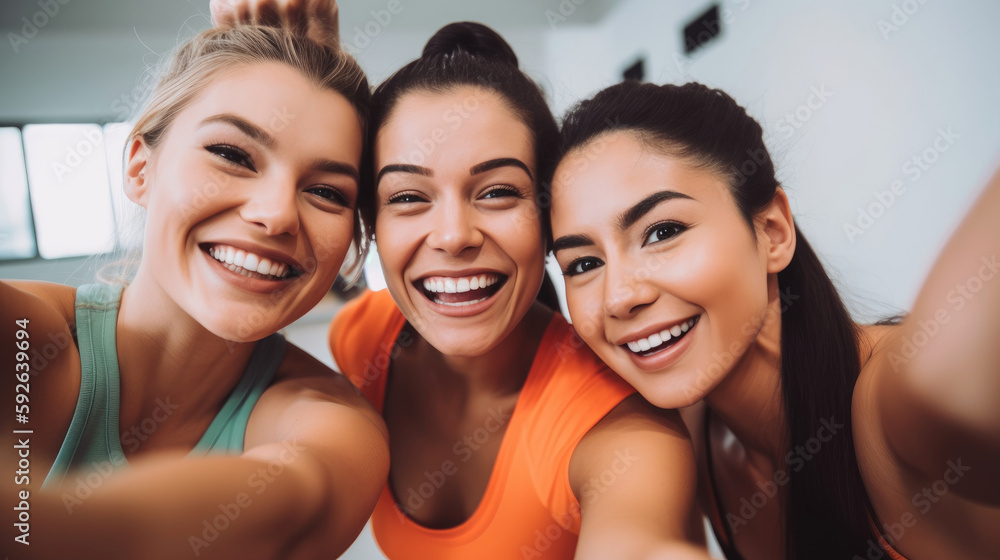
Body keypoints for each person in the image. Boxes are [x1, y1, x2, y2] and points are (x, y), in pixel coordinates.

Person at [211, 3, 712, 558]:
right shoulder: (360, 336)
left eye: (498, 192)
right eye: (407, 197)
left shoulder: (623, 432)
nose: (453, 236)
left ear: (550, 218)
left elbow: (641, 540)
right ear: (369, 223)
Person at [548, 80, 1000, 560]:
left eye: (662, 231)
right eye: (583, 264)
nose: (619, 297)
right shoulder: (689, 439)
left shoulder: (890, 406)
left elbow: (947, 381)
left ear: (773, 233)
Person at [1, 25, 389, 559]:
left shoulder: (334, 426)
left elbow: (296, 497)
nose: (276, 215)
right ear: (140, 167)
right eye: (232, 154)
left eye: (326, 191)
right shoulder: (24, 337)